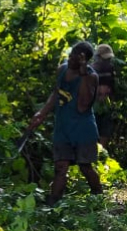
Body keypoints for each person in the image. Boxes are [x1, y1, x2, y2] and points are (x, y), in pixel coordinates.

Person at [21, 42, 102, 206]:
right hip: (63, 127)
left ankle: (99, 196)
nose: (70, 58)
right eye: (71, 54)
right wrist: (42, 113)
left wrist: (83, 73)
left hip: (83, 129)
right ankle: (53, 203)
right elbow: (56, 94)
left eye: (75, 56)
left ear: (83, 59)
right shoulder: (62, 69)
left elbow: (83, 105)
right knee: (60, 166)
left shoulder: (91, 77)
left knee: (85, 166)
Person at [92, 43, 122, 147]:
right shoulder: (91, 69)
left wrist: (112, 100)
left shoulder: (110, 68)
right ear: (98, 57)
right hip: (93, 103)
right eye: (105, 58)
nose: (107, 61)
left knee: (105, 129)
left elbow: (112, 85)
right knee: (94, 128)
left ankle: (101, 153)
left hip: (106, 103)